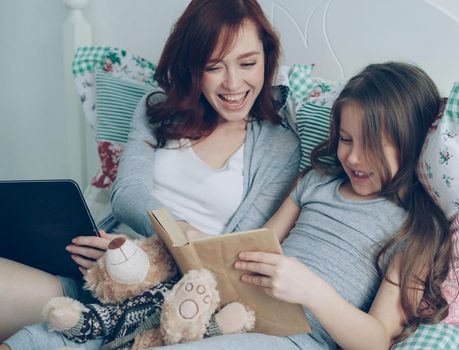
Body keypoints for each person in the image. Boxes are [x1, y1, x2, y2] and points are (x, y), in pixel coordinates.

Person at [0, 0, 300, 348]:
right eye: (214, 67)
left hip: (167, 300)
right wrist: (130, 251)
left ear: (267, 57)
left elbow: (234, 254)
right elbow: (127, 192)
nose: (234, 84)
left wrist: (155, 248)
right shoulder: (158, 110)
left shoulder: (279, 145)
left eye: (248, 63)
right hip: (97, 272)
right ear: (192, 68)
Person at [147, 62, 454, 349]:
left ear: (414, 144)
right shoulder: (317, 182)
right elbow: (255, 249)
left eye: (372, 145)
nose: (355, 158)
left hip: (293, 341)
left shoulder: (414, 230)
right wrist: (199, 240)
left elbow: (375, 340)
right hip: (237, 317)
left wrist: (311, 291)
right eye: (346, 139)